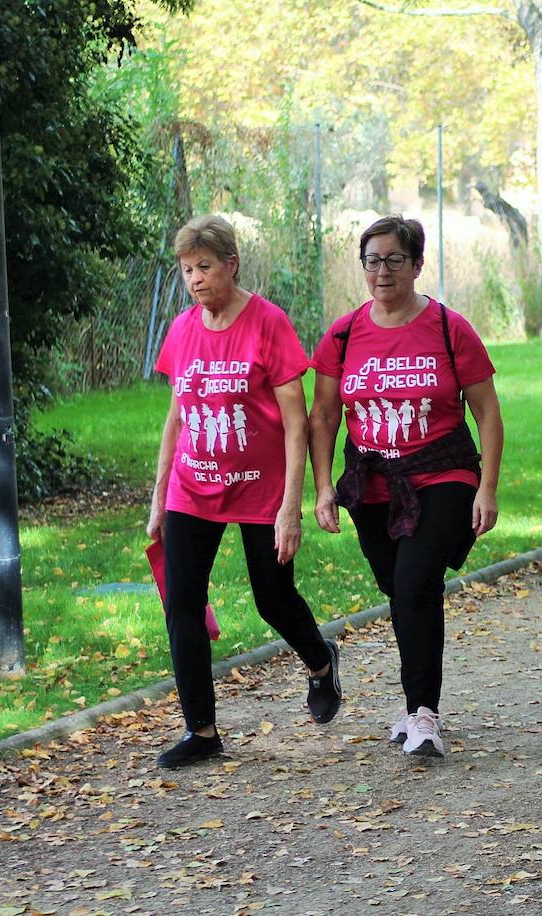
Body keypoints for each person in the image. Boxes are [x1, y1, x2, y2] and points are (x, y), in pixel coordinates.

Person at [147, 214, 341, 769]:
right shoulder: (182, 330)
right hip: (192, 487)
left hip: (261, 488)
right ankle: (202, 731)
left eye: (205, 267)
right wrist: (159, 498)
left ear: (231, 264)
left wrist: (290, 508)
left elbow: (296, 422)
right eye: (187, 270)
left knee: (272, 598)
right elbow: (177, 417)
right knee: (181, 605)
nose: (195, 279)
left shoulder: (267, 323)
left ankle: (321, 662)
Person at [308, 215, 503, 760]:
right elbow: (323, 416)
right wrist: (323, 487)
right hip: (372, 481)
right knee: (399, 589)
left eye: (395, 259)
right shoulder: (343, 335)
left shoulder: (448, 328)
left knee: (416, 585)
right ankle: (415, 703)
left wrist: (487, 487)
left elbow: (487, 412)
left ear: (417, 265)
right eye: (372, 260)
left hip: (443, 472)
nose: (383, 271)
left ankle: (423, 712)